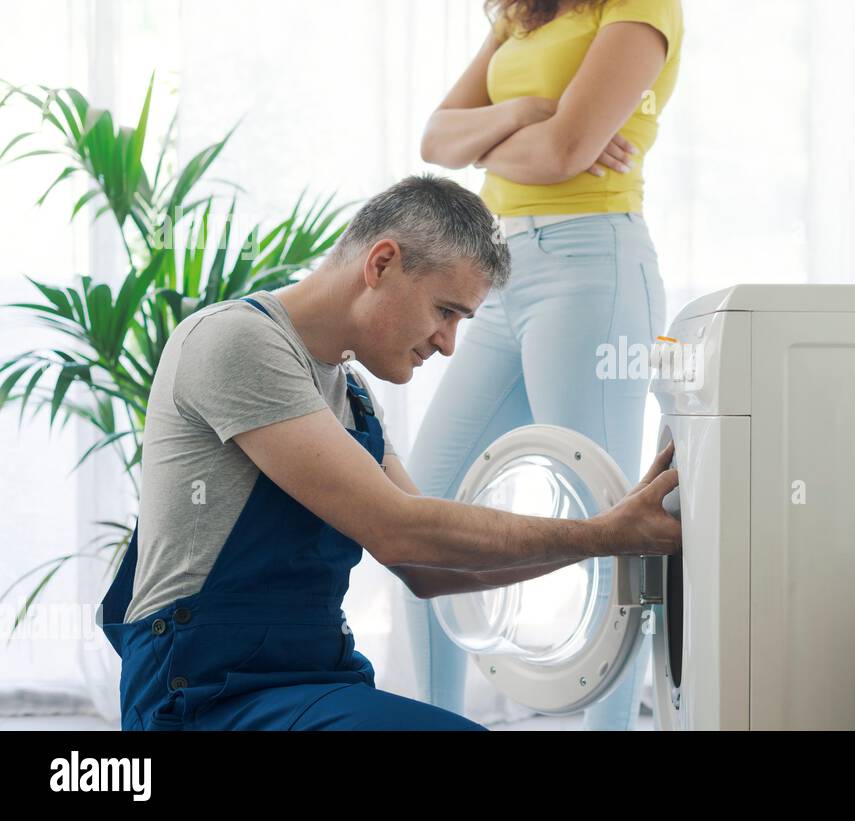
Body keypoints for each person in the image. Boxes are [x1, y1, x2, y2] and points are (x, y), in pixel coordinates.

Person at [97, 174, 681, 731]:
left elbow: (427, 570)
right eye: (445, 311)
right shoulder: (237, 341)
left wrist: (611, 535)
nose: (449, 344)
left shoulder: (352, 396)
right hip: (200, 693)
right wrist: (603, 534)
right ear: (381, 263)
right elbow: (401, 530)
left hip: (312, 678)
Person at [407, 0, 683, 731]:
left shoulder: (642, 8)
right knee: (427, 503)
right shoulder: (522, 12)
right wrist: (531, 112)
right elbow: (436, 138)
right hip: (497, 273)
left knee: (608, 524)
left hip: (591, 264)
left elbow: (562, 157)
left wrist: (499, 140)